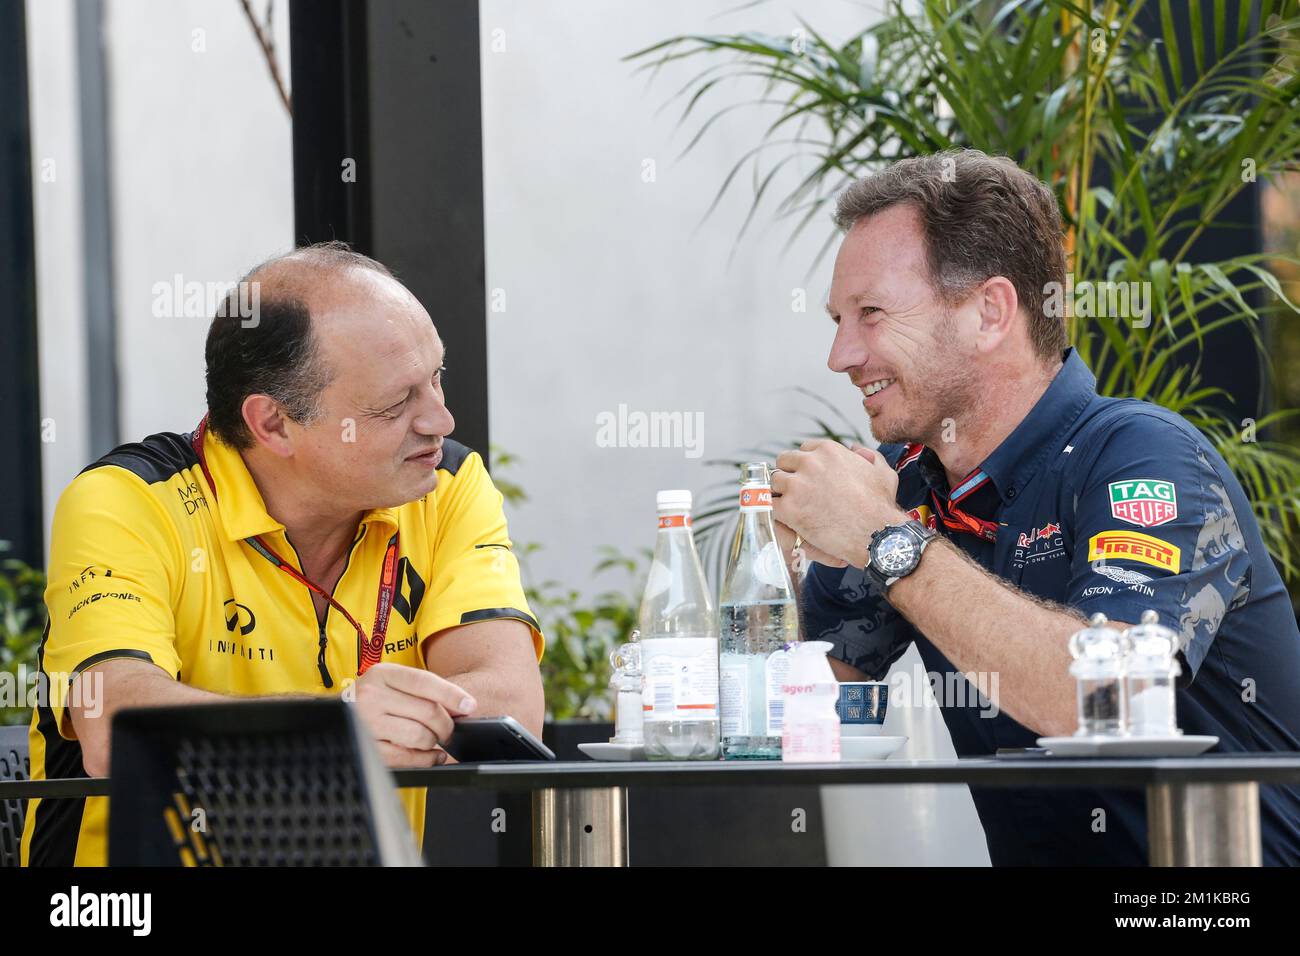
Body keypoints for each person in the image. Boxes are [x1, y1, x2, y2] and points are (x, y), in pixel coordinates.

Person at [771, 148, 1300, 865]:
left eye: (871, 314)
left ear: (990, 313)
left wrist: (880, 534)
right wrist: (786, 563)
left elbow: (1099, 697)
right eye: (839, 318)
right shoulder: (909, 486)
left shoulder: (1146, 458)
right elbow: (815, 710)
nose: (840, 354)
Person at [23, 242, 544, 866]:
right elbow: (117, 727)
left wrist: (342, 729)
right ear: (272, 425)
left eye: (437, 377)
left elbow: (513, 704)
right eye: (394, 403)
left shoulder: (448, 485)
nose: (441, 419)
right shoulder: (127, 499)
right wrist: (347, 726)